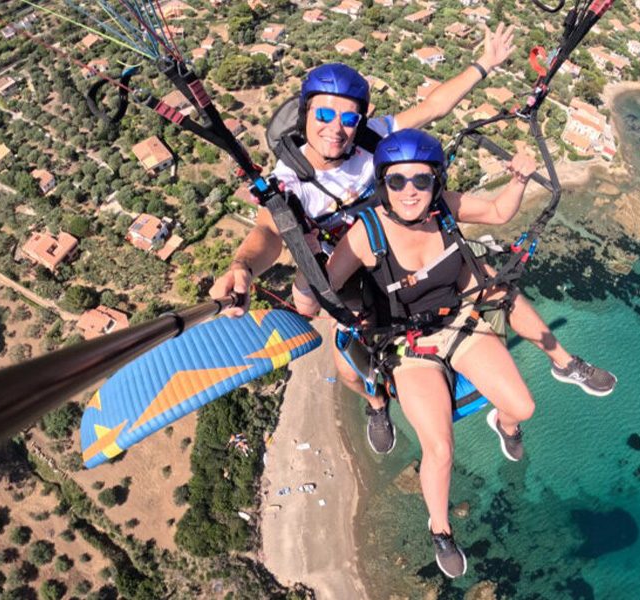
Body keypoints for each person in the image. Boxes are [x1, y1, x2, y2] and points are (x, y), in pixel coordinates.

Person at [211, 27, 614, 455]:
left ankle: (563, 361)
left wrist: (485, 64)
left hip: (404, 243)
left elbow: (434, 106)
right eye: (325, 116)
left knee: (494, 284)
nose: (336, 129)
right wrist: (243, 266)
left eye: (348, 118)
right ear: (305, 115)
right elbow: (268, 232)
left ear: (360, 120)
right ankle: (376, 405)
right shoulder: (290, 181)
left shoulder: (370, 138)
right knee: (350, 366)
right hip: (351, 271)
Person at [325, 129, 537, 578]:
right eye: (397, 182)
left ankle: (504, 423)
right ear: (383, 184)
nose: (410, 192)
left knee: (523, 405)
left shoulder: (446, 210)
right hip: (407, 345)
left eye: (421, 181)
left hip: (455, 323)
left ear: (436, 183)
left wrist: (518, 180)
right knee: (439, 449)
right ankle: (440, 528)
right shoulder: (367, 235)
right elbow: (325, 287)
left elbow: (499, 211)